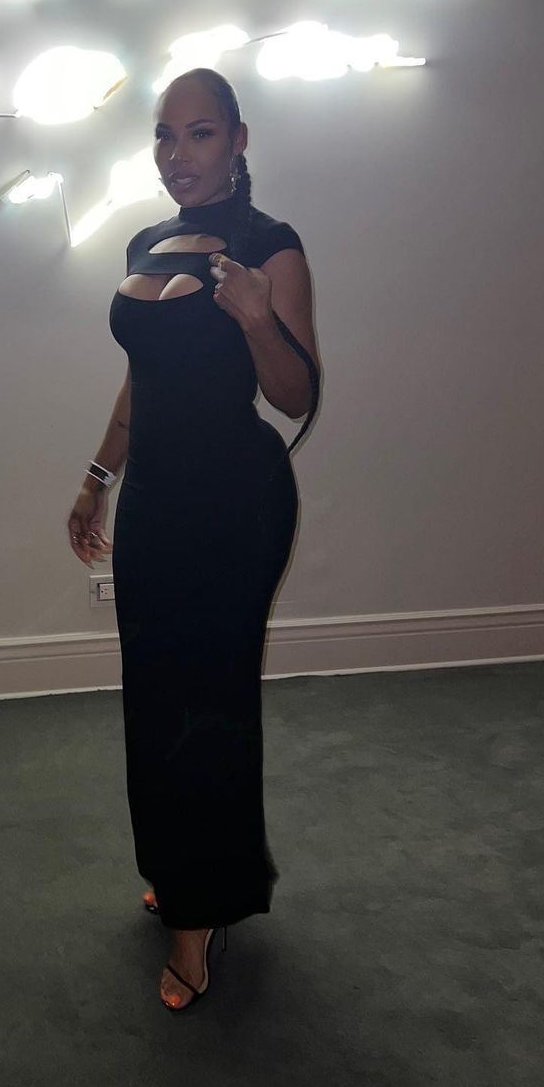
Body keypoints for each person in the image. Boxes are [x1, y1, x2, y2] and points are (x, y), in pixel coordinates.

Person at [66, 68, 322, 1011]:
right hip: (156, 500)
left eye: (201, 133)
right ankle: (187, 874)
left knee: (209, 702)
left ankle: (197, 917)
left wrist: (257, 319)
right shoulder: (146, 240)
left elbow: (294, 394)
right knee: (154, 698)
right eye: (165, 135)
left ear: (239, 140)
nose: (179, 153)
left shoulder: (271, 247)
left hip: (234, 503)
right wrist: (98, 477)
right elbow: (143, 377)